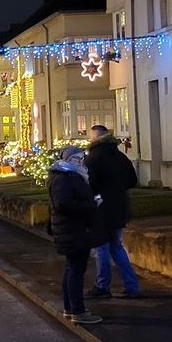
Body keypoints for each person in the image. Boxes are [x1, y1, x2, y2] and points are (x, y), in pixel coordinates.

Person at [47, 144, 105, 324]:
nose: (80, 161)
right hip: (72, 230)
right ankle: (77, 311)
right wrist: (92, 205)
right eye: (76, 158)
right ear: (67, 159)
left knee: (72, 269)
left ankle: (70, 307)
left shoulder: (71, 174)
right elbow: (63, 204)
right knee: (75, 270)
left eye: (81, 158)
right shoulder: (64, 177)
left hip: (73, 229)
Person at [85, 123, 142, 298]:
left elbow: (89, 185)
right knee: (116, 247)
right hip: (119, 207)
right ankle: (132, 286)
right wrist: (116, 189)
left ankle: (103, 286)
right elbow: (132, 180)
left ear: (95, 138)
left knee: (102, 248)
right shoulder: (120, 156)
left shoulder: (93, 158)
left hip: (102, 209)